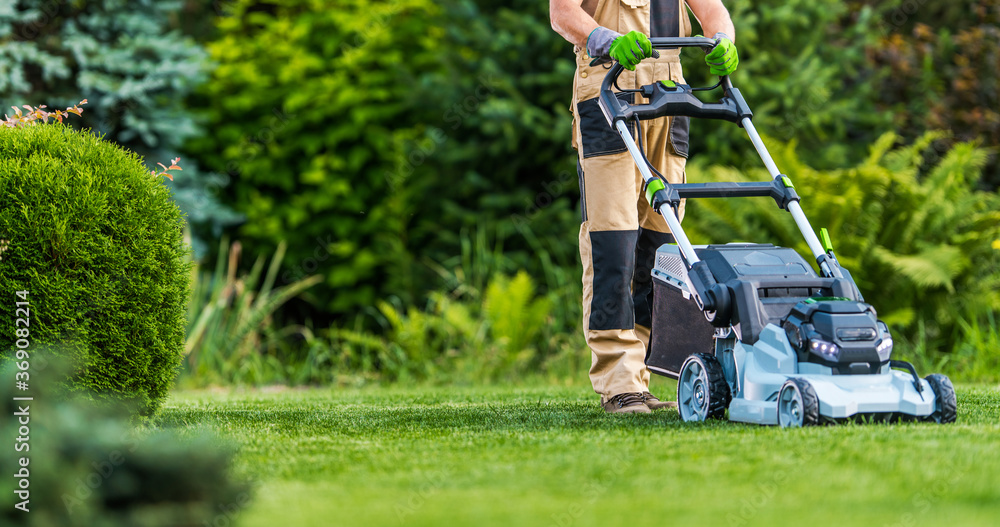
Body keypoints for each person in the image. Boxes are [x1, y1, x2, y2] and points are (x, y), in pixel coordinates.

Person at [549, 0, 739, 414]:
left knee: (661, 245)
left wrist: (723, 39)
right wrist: (606, 40)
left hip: (668, 96)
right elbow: (561, 13)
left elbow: (714, 11)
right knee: (613, 241)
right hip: (607, 88)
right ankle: (619, 380)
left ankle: (643, 376)